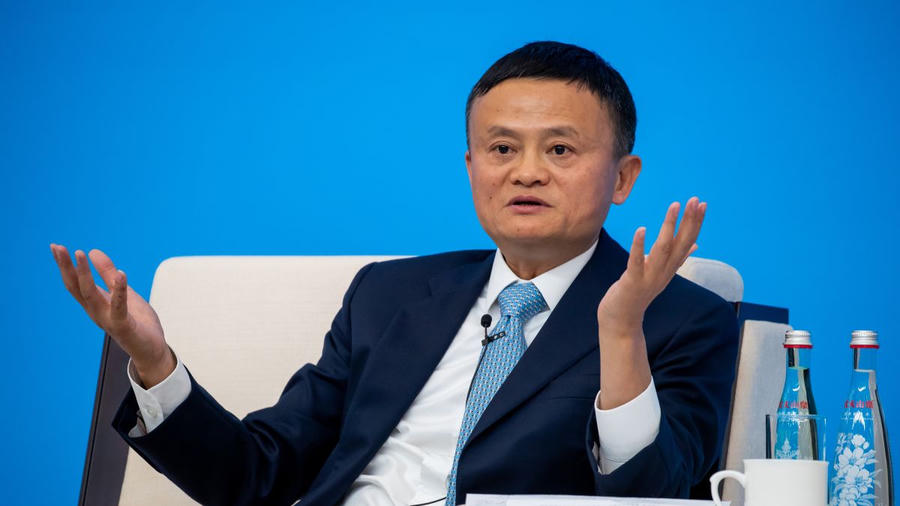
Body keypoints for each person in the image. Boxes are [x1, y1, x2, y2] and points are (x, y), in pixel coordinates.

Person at [51, 41, 738, 505]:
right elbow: (255, 478)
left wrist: (619, 332)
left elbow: (653, 496)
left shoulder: (684, 321)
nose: (527, 172)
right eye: (502, 148)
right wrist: (154, 361)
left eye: (560, 149)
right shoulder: (390, 294)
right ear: (471, 167)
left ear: (622, 178)